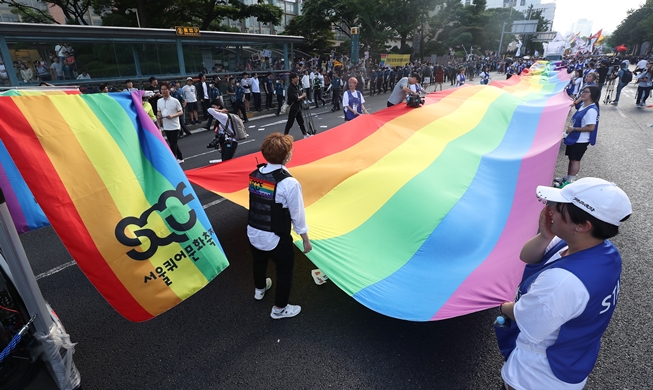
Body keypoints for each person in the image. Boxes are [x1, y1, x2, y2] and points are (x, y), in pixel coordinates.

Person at [497, 177, 631, 390]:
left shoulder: (563, 282)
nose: (550, 210)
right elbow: (528, 256)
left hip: (537, 376)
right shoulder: (606, 252)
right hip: (573, 360)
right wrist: (545, 235)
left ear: (582, 226)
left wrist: (502, 306)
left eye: (558, 208)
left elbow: (526, 318)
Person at [248, 132, 312, 319]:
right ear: (287, 156)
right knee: (284, 270)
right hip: (275, 237)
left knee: (258, 262)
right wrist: (305, 239)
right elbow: (297, 214)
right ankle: (280, 309)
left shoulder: (255, 174)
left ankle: (260, 289)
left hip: (252, 231)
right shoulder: (289, 183)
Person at [555, 86, 600, 187]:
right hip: (575, 137)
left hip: (581, 140)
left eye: (586, 92)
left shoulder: (591, 110)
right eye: (583, 92)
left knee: (575, 160)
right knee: (571, 159)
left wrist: (574, 129)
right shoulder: (584, 105)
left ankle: (571, 182)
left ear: (592, 95)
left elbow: (591, 127)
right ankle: (568, 178)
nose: (583, 94)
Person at [156, 82, 184, 163]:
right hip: (166, 125)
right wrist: (158, 116)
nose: (163, 91)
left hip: (175, 125)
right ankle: (180, 157)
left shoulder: (175, 101)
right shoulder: (159, 101)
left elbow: (181, 112)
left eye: (165, 89)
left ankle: (173, 162)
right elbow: (159, 111)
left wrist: (173, 115)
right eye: (162, 89)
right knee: (173, 143)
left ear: (169, 90)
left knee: (172, 145)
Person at [283, 72, 309, 138]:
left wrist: (302, 94)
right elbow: (296, 98)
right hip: (293, 107)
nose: (298, 78)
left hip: (297, 107)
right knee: (290, 122)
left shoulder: (296, 86)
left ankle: (305, 134)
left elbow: (299, 95)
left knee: (301, 121)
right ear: (292, 79)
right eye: (296, 77)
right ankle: (285, 135)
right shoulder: (291, 88)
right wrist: (303, 96)